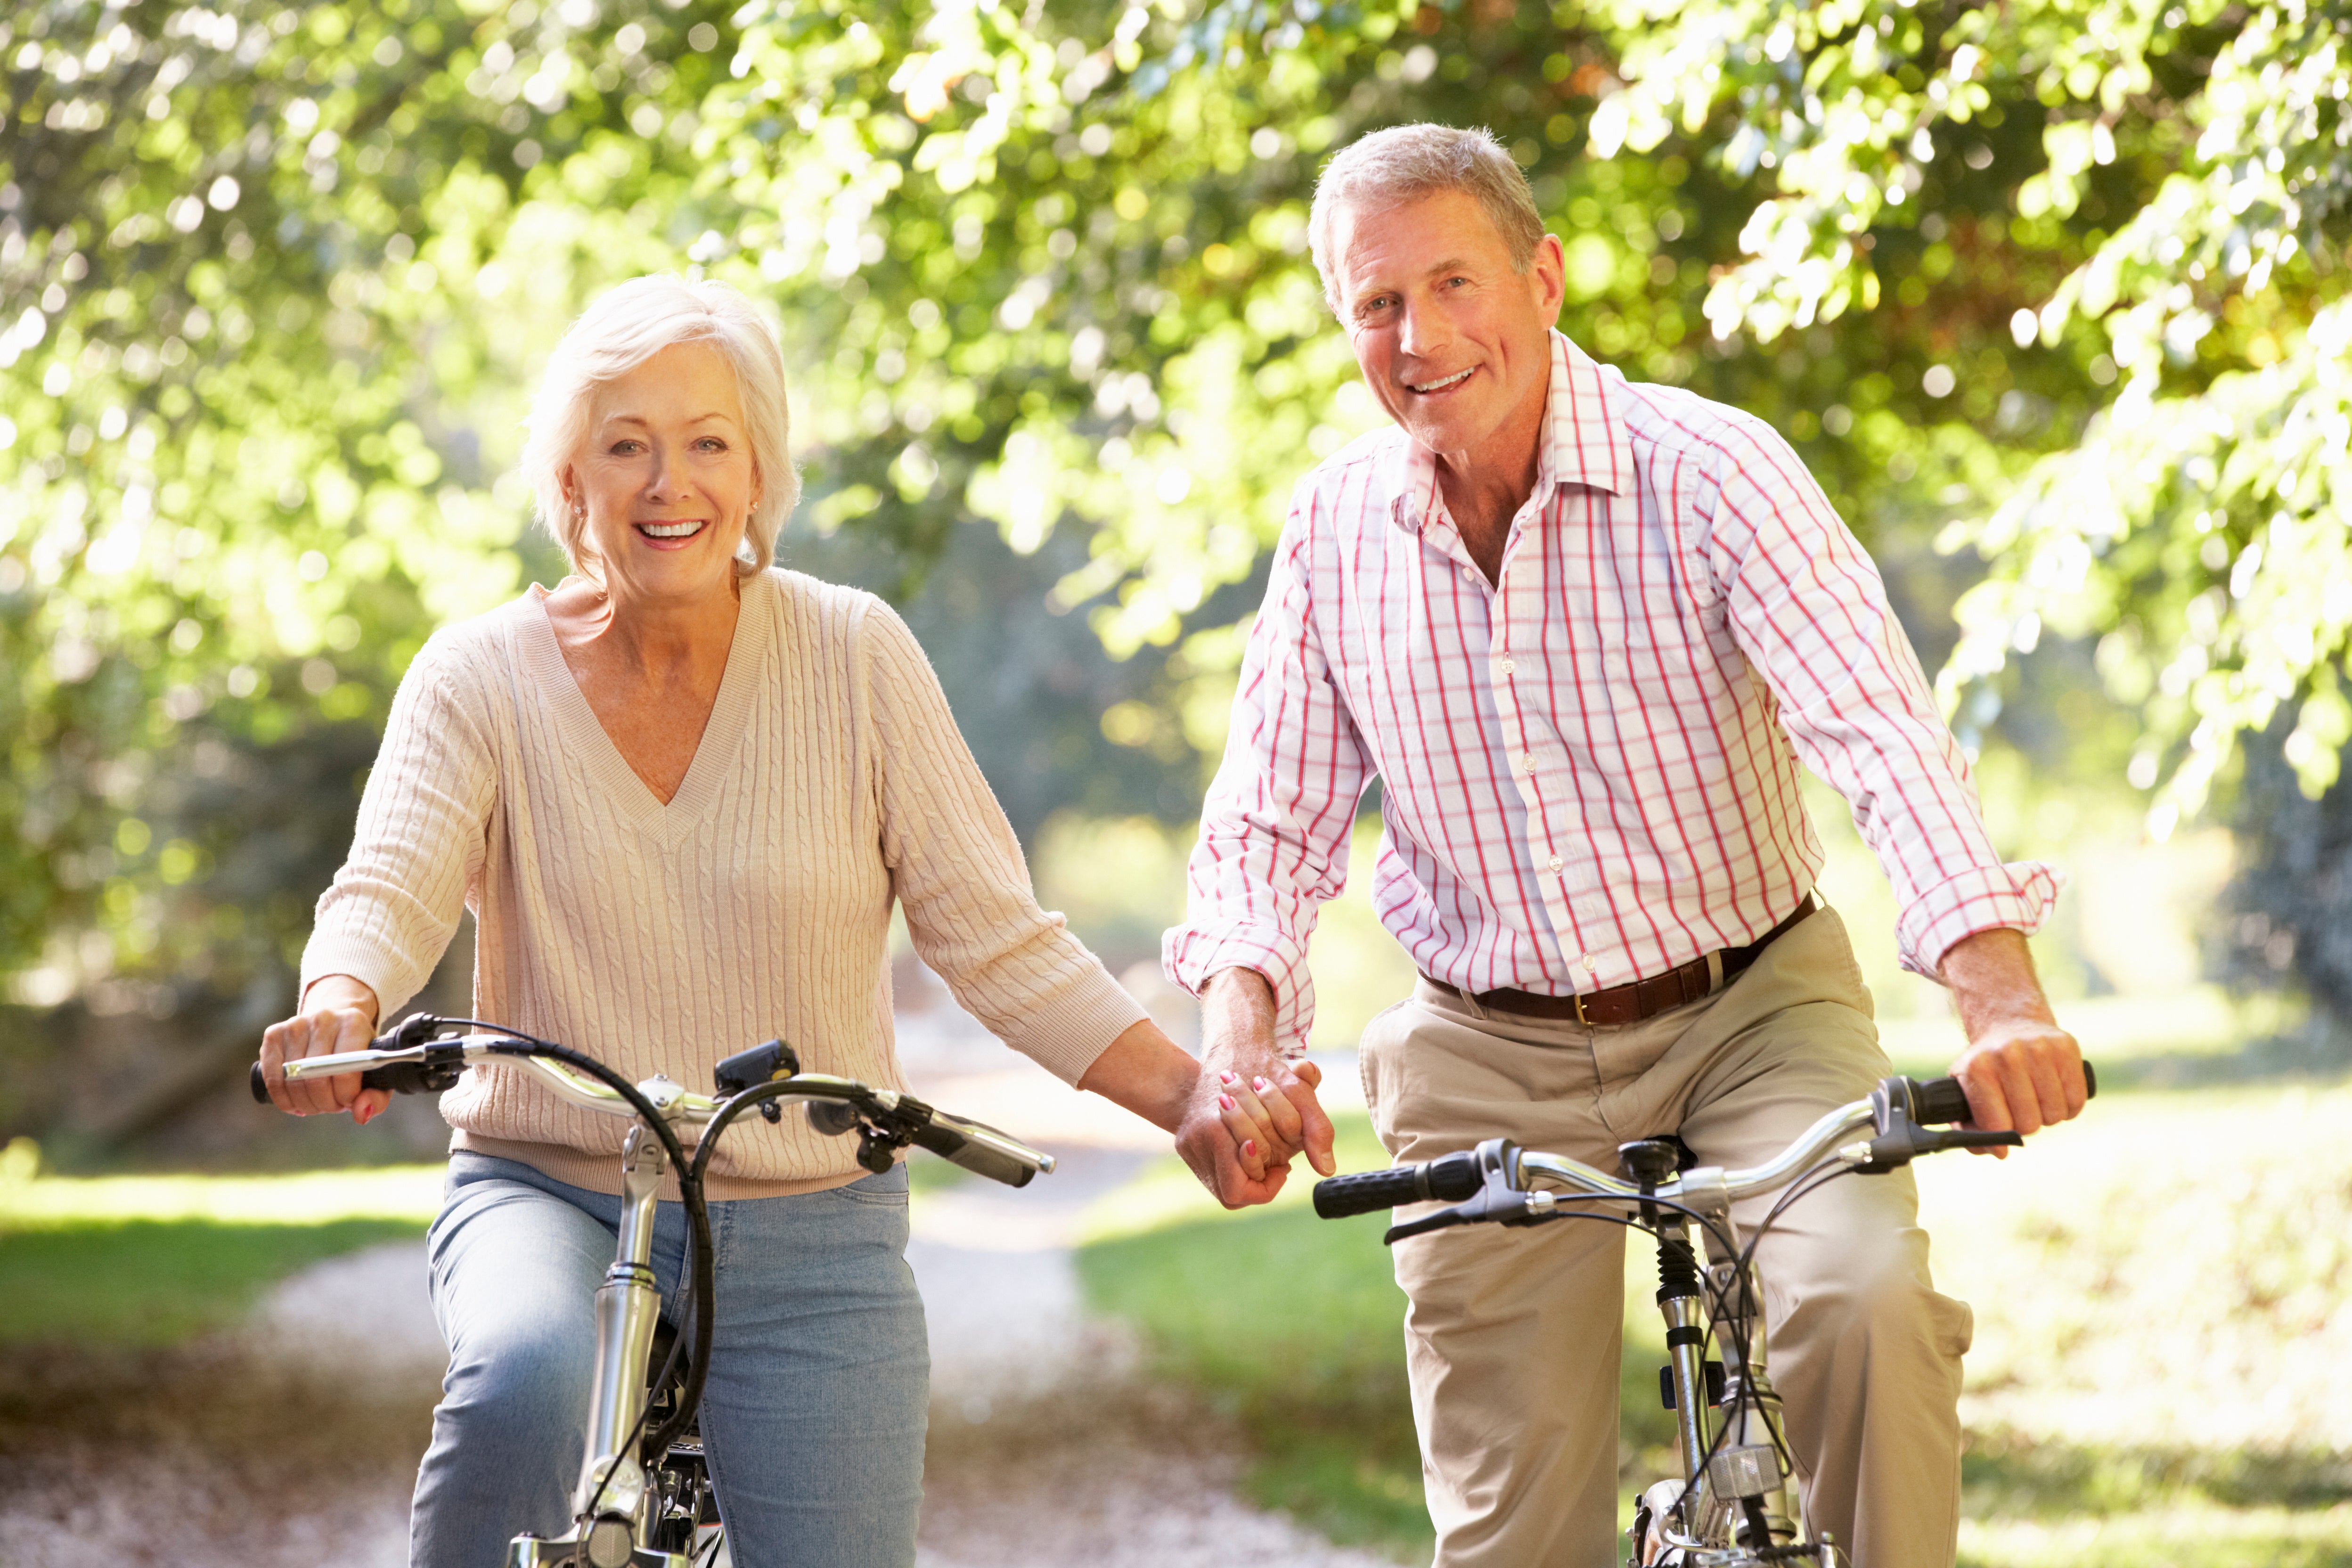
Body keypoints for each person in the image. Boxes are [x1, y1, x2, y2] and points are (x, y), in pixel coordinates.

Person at [1164, 124, 2090, 1566]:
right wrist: (1239, 1041)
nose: (1419, 337)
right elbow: (1268, 826)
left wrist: (2000, 996)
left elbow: (1880, 738)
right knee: (1512, 1523)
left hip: (1751, 1013)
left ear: (1542, 279)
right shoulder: (1337, 530)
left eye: (1455, 282)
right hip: (1486, 1047)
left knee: (1862, 1306)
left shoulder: (1713, 472)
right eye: (1376, 303)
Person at [256, 274, 1232, 1568]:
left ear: (761, 473)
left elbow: (997, 938)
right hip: (551, 1191)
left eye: (708, 443)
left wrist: (1191, 1100)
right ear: (569, 482)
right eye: (626, 446)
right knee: (521, 1383)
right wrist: (343, 1003)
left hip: (812, 1213)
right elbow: (391, 881)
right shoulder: (478, 677)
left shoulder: (855, 659)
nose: (670, 485)